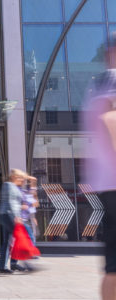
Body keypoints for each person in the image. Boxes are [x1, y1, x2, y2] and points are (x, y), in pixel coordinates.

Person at [82, 32, 116, 300]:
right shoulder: (112, 81)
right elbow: (111, 118)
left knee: (113, 267)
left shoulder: (97, 85)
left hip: (107, 185)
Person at [0, 169, 26, 274]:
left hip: (9, 214)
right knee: (19, 239)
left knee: (8, 241)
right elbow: (9, 202)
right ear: (14, 177)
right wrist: (15, 216)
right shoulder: (8, 185)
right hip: (8, 215)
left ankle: (4, 266)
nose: (22, 180)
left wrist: (20, 210)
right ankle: (20, 263)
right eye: (20, 177)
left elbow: (15, 203)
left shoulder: (15, 187)